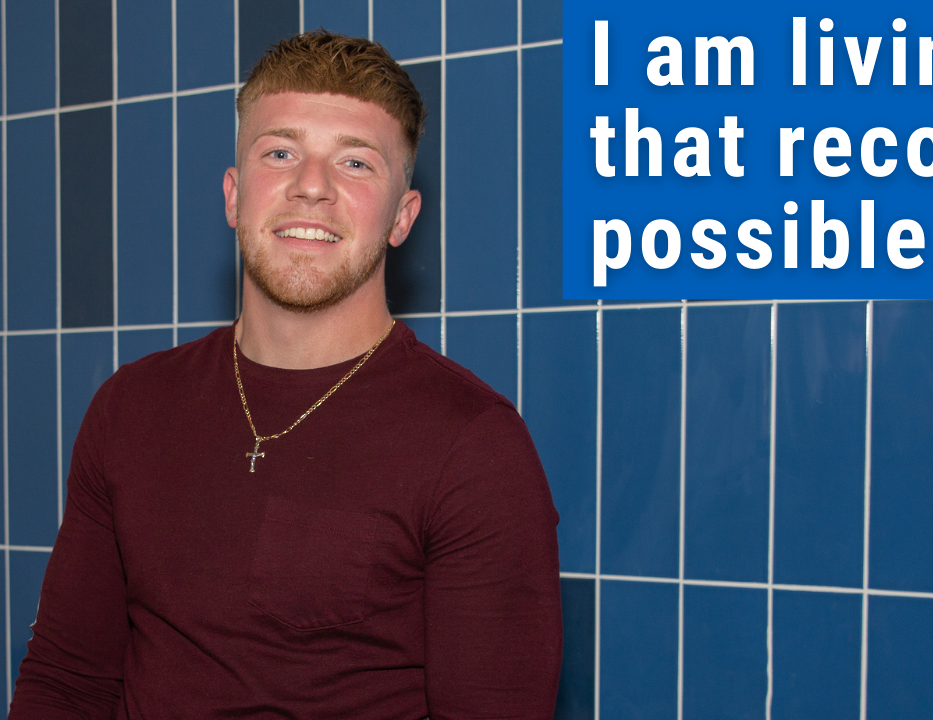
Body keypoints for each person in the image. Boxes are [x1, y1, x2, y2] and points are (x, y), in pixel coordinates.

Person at [9, 32, 562, 719]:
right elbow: (67, 684)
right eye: (281, 152)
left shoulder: (476, 448)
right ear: (234, 196)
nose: (311, 186)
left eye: (356, 163)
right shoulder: (129, 408)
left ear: (402, 217)